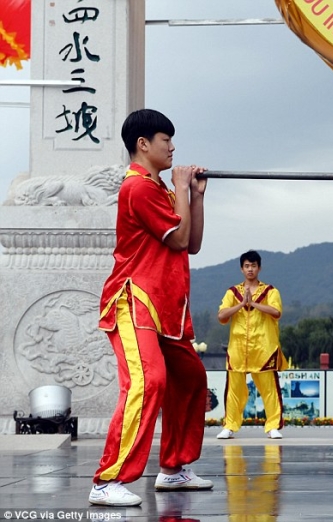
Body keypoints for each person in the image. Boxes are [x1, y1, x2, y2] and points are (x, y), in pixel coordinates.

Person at [90, 109, 212, 507]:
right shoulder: (138, 188)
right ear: (144, 144)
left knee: (190, 379)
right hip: (135, 301)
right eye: (166, 140)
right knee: (148, 382)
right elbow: (177, 240)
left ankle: (173, 469)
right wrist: (180, 186)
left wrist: (194, 195)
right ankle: (109, 479)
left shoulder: (160, 189)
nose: (173, 147)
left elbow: (191, 243)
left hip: (166, 307)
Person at [216, 250, 287, 440]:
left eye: (253, 265)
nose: (250, 269)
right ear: (241, 268)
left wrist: (254, 303)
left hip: (263, 347)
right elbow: (222, 316)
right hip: (238, 348)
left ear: (259, 268)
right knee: (234, 389)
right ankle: (230, 425)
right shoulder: (232, 292)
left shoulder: (271, 291)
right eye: (247, 266)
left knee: (269, 389)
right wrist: (241, 305)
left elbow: (276, 312)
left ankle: (273, 425)